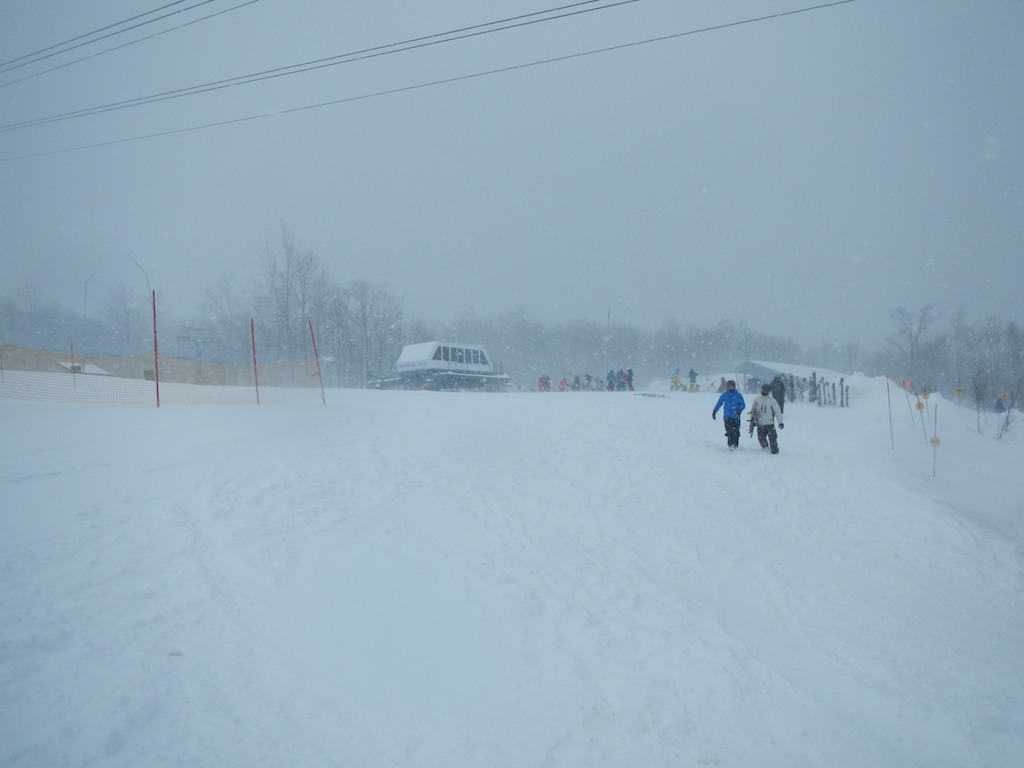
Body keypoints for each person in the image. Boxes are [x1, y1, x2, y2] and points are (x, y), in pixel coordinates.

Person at [750, 383, 784, 454]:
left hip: (770, 423)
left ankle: (774, 451)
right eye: (764, 390)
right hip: (760, 423)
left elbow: (777, 411)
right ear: (762, 389)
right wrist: (752, 419)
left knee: (773, 439)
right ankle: (765, 450)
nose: (766, 391)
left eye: (767, 390)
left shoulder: (772, 400)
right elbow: (753, 410)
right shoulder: (757, 399)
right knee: (761, 438)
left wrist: (780, 422)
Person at [712, 379, 746, 450]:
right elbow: (719, 403)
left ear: (734, 387)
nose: (730, 387)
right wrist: (715, 411)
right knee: (729, 431)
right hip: (727, 417)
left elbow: (742, 404)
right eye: (729, 386)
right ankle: (730, 444)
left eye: (731, 386)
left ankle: (735, 444)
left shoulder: (738, 395)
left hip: (736, 417)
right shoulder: (725, 395)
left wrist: (739, 409)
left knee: (736, 432)